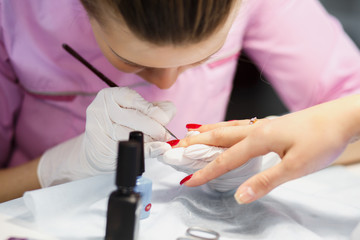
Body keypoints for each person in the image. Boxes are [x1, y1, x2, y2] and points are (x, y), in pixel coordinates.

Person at [1, 0, 360, 203]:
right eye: (132, 61)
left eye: (203, 57)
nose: (168, 83)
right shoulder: (13, 16)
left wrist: (275, 150)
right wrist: (57, 168)